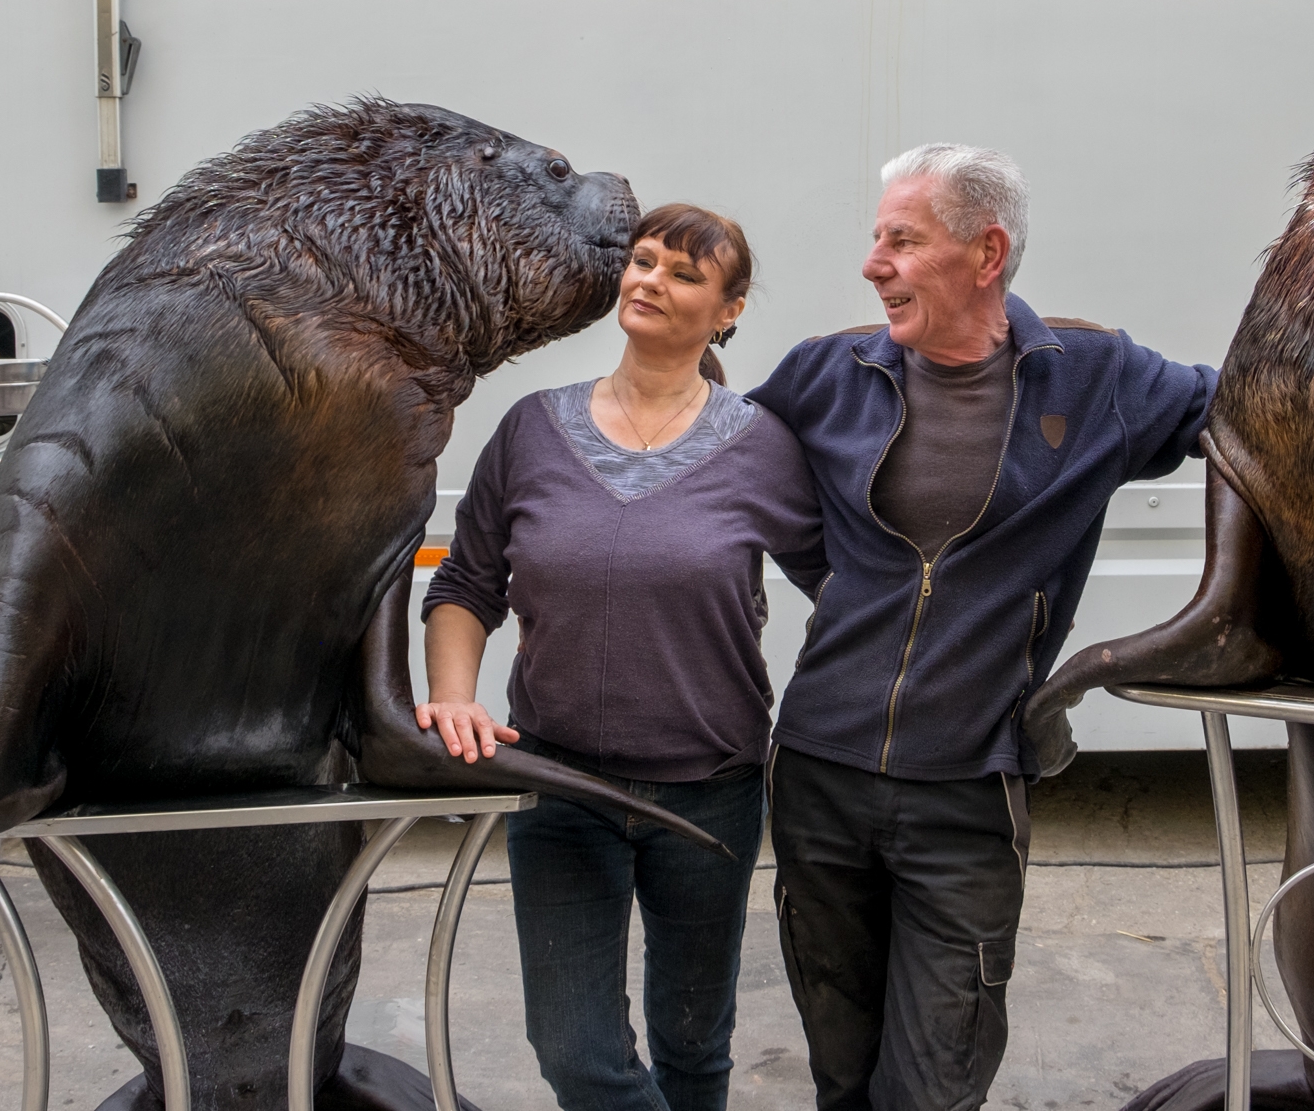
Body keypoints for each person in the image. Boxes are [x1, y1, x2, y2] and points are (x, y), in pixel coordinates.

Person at [747, 144, 1215, 1110]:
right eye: (876, 239)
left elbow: (1265, 411)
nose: (873, 263)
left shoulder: (1095, 380)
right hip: (819, 775)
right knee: (842, 1071)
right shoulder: (824, 374)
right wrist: (834, 587)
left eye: (902, 240)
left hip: (968, 789)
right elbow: (712, 476)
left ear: (987, 250)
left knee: (934, 1081)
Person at [418, 203, 825, 1111]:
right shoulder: (532, 428)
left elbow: (842, 588)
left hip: (711, 792)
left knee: (693, 1047)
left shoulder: (761, 445)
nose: (650, 280)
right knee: (577, 1054)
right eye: (642, 261)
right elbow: (465, 587)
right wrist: (455, 698)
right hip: (559, 788)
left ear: (731, 309)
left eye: (684, 273)